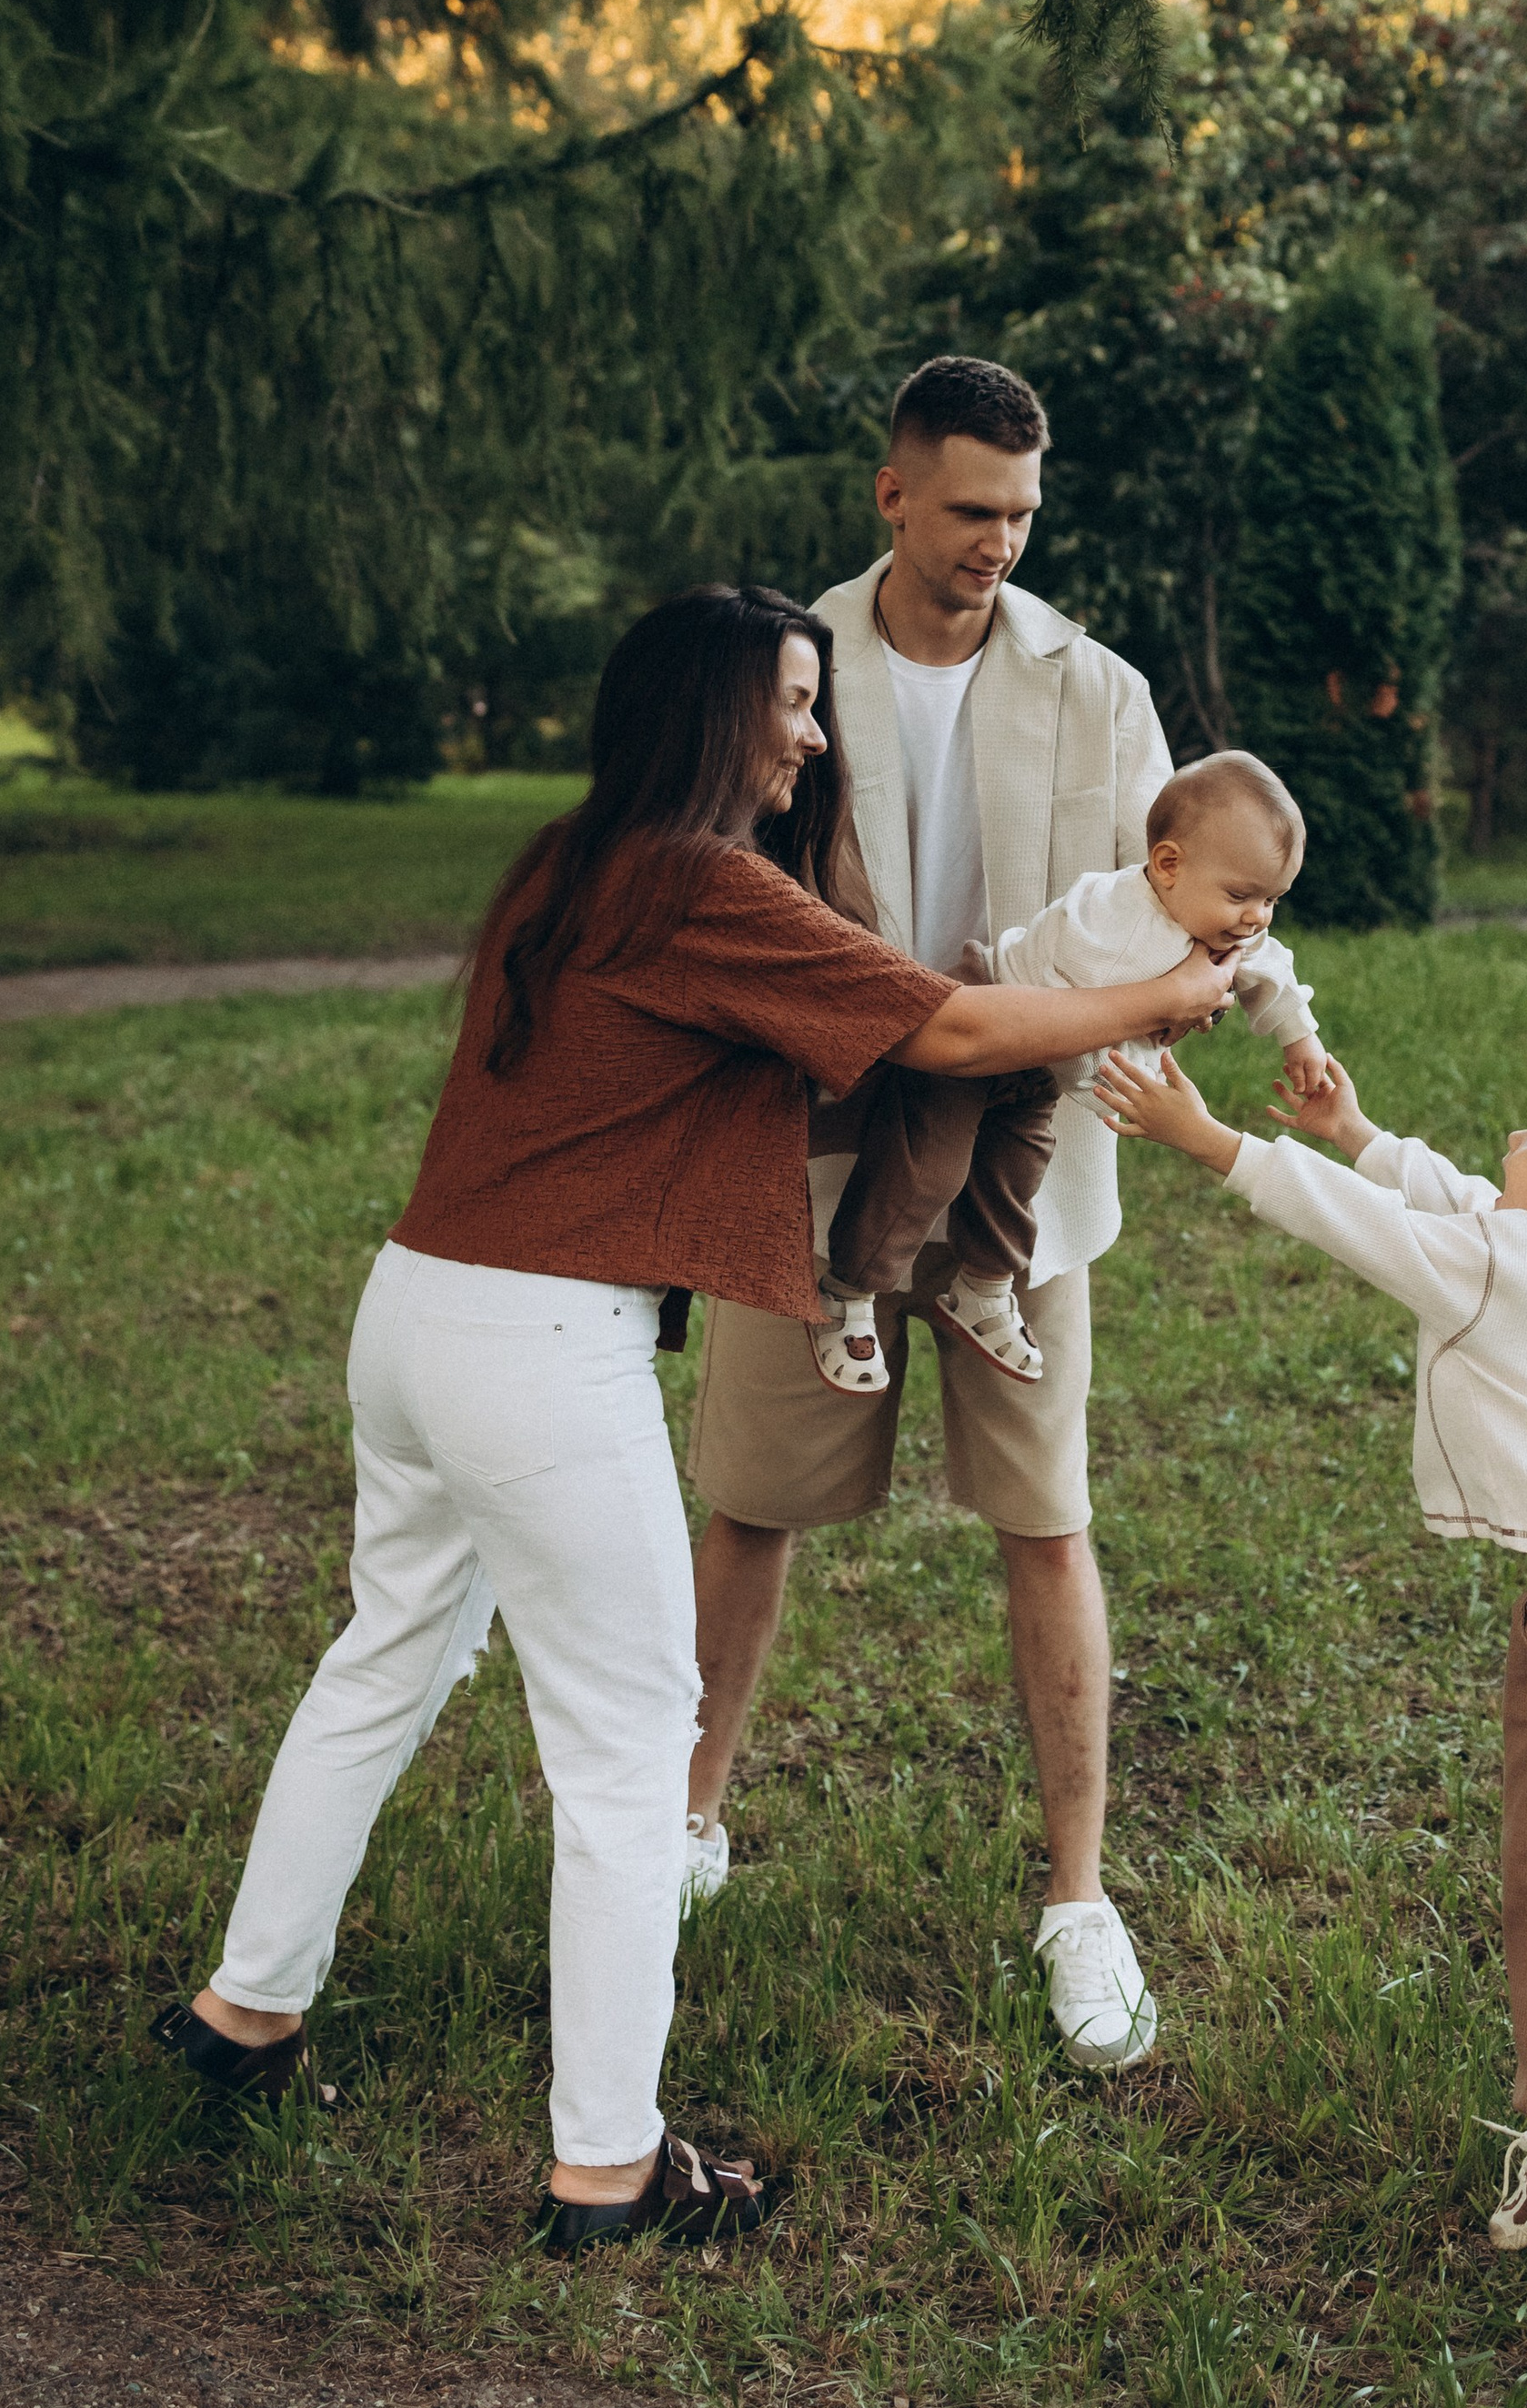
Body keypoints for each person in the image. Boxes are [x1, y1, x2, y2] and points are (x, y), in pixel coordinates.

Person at [149, 584, 1233, 2255]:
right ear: (709, 710)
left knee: (382, 1663)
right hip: (541, 1353)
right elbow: (944, 1027)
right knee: (630, 1754)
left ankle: (246, 2010)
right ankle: (607, 2167)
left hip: (417, 1310)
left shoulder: (573, 860)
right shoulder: (702, 886)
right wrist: (1146, 1002)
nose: (813, 734)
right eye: (791, 703)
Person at [682, 357, 1324, 2076]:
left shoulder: (1101, 693)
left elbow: (1197, 905)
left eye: (1024, 515)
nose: (999, 543)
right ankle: (683, 1827)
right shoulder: (785, 668)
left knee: (1049, 1524)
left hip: (1022, 1186)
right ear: (892, 493)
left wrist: (1235, 1007)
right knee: (750, 1510)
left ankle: (1079, 1900)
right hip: (811, 1160)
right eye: (971, 510)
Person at [1096, 1037, 1527, 2253]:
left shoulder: (1495, 1264)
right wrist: (1355, 1129)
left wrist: (1210, 1142)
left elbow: (1367, 1227)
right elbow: (1463, 1200)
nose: (1511, 1146)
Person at [810, 751, 1324, 1394]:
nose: (1257, 917)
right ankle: (847, 1290)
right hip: (985, 1021)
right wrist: (1127, 1093)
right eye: (1242, 896)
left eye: (1272, 899)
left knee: (1018, 1168)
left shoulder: (1216, 921)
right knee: (927, 1166)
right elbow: (1079, 1034)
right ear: (1168, 865)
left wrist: (1300, 1037)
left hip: (1033, 1066)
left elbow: (1268, 962)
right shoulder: (1108, 923)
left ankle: (982, 1287)